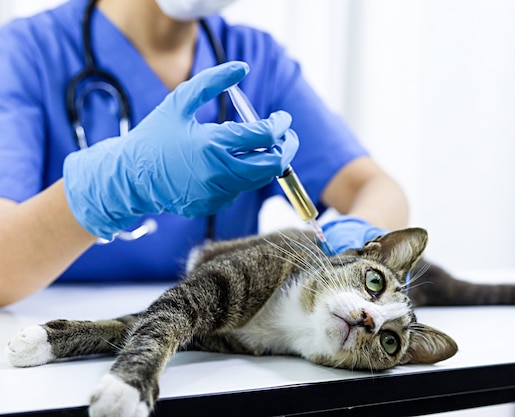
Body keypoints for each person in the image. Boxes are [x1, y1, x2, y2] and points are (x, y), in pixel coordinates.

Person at [0, 0, 409, 307]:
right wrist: (116, 185)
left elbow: (374, 186)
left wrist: (364, 245)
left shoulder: (253, 59)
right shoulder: (27, 51)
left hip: (209, 351)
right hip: (47, 344)